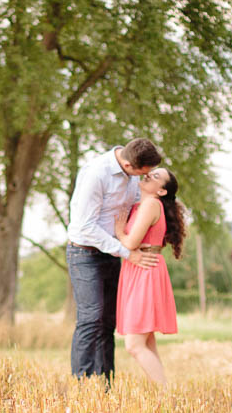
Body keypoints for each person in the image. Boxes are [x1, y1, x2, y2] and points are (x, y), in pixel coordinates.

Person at [66, 138, 163, 381]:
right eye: (144, 173)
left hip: (112, 252)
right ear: (129, 165)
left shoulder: (132, 176)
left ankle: (105, 385)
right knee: (91, 318)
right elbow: (85, 226)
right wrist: (128, 252)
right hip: (84, 252)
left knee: (109, 321)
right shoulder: (96, 174)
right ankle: (83, 383)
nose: (146, 177)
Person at [115, 167, 186, 385]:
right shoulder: (140, 206)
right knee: (147, 342)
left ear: (162, 191)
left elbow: (131, 243)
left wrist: (119, 231)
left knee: (134, 344)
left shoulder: (151, 205)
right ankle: (164, 398)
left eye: (156, 176)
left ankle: (167, 395)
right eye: (150, 172)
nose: (148, 175)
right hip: (138, 268)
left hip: (146, 270)